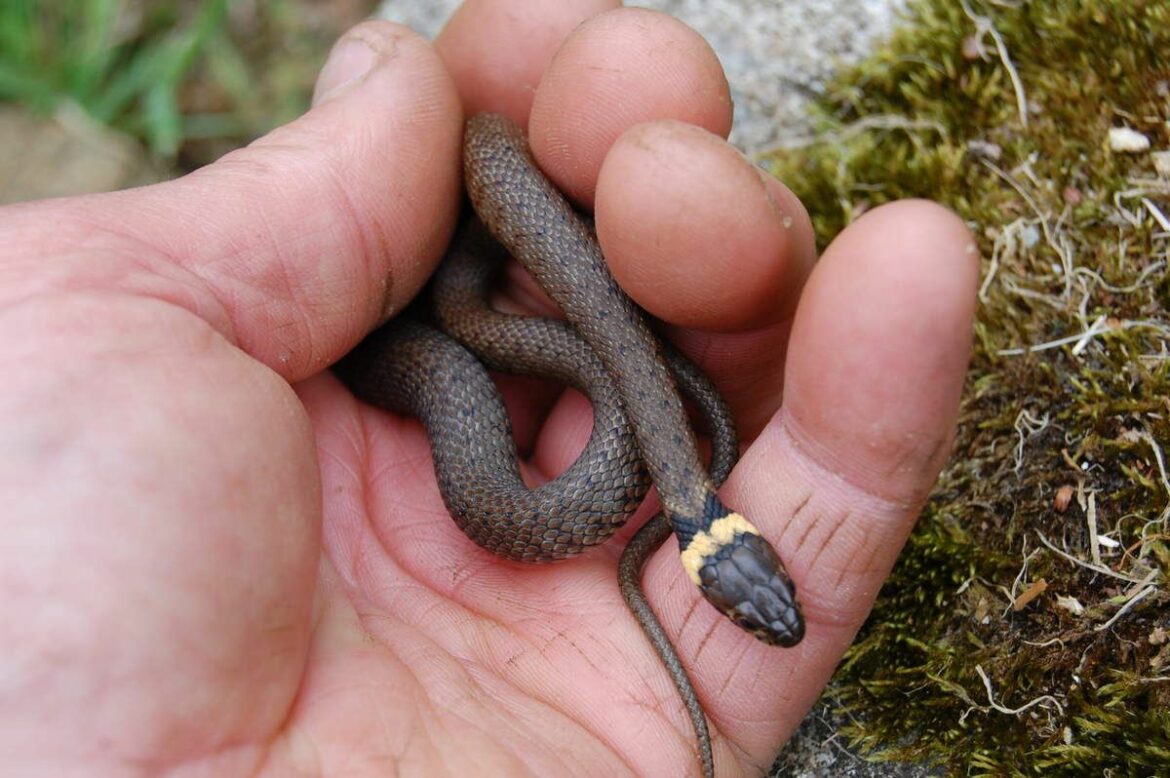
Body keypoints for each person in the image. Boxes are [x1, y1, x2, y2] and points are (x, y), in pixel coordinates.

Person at [0, 1, 978, 774]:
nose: (764, 612)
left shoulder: (653, 479)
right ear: (727, 546)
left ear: (716, 559)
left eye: (746, 607)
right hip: (431, 327)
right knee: (559, 289)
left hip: (496, 307)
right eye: (760, 601)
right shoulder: (621, 465)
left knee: (578, 273)